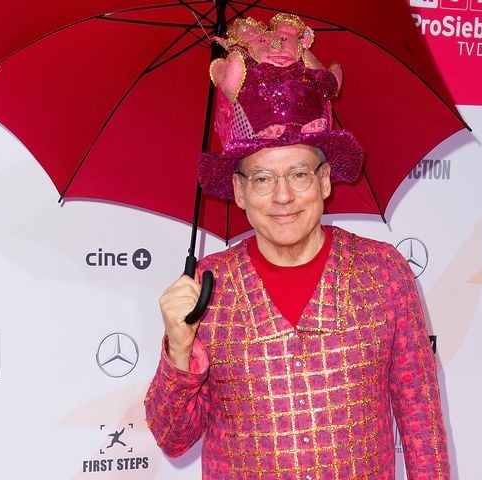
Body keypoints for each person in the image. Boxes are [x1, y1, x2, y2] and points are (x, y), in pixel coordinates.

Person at [145, 13, 449, 480]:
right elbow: (174, 437)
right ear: (240, 191)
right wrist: (180, 350)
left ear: (325, 181)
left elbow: (421, 423)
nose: (283, 196)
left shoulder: (383, 271)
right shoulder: (208, 287)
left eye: (299, 174)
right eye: (263, 178)